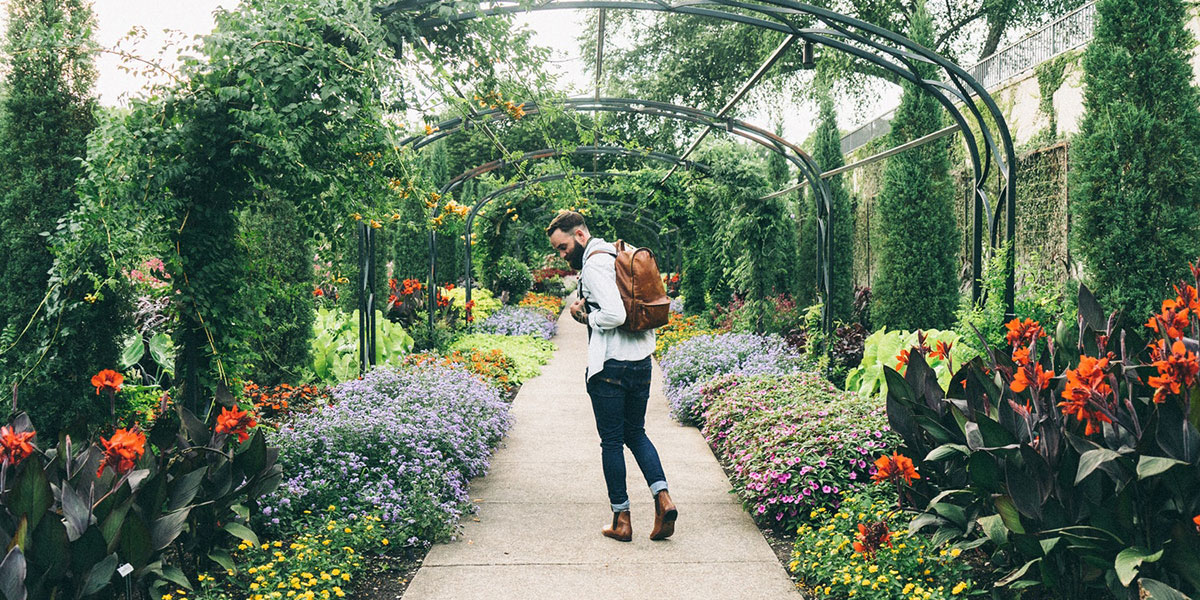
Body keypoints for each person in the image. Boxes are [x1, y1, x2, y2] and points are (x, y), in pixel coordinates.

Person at [545, 210, 678, 542]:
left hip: (611, 369)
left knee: (612, 442)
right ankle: (663, 499)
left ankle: (621, 519)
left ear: (578, 235)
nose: (563, 256)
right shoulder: (621, 250)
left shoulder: (593, 265)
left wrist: (584, 317)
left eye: (562, 247)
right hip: (641, 362)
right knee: (637, 433)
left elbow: (615, 315)